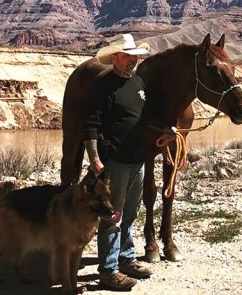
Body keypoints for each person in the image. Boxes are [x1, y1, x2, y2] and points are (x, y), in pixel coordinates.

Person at [83, 33, 153, 291]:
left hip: (138, 160)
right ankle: (109, 271)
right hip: (115, 163)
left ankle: (126, 259)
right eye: (127, 56)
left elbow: (143, 119)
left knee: (132, 213)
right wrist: (95, 159)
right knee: (113, 215)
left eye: (135, 56)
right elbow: (91, 125)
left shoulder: (139, 83)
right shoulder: (103, 85)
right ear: (115, 57)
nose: (132, 61)